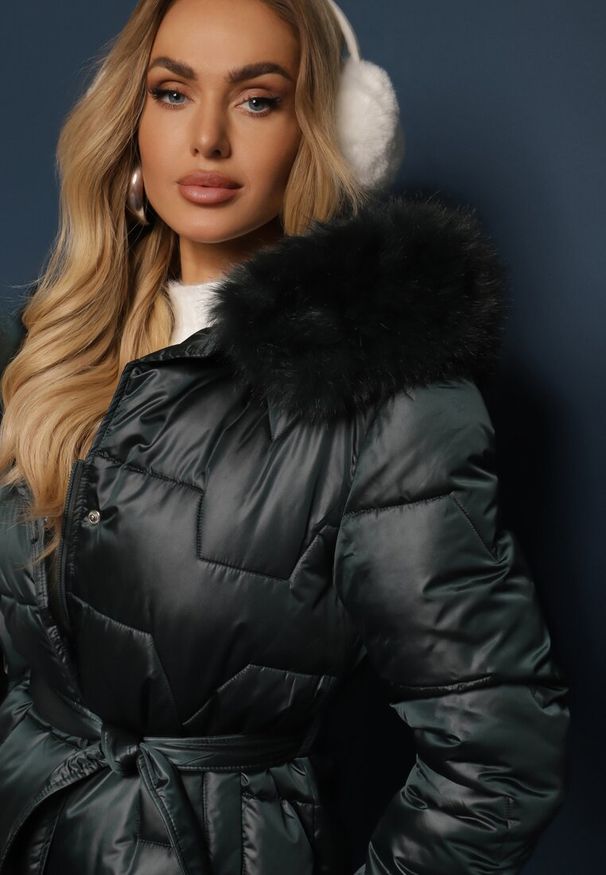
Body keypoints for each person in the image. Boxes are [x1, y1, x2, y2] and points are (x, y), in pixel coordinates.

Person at [0, 1, 570, 873]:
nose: (207, 139)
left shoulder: (385, 400)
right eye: (173, 92)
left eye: (258, 100)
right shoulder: (48, 347)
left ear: (326, 132)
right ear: (132, 117)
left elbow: (500, 752)